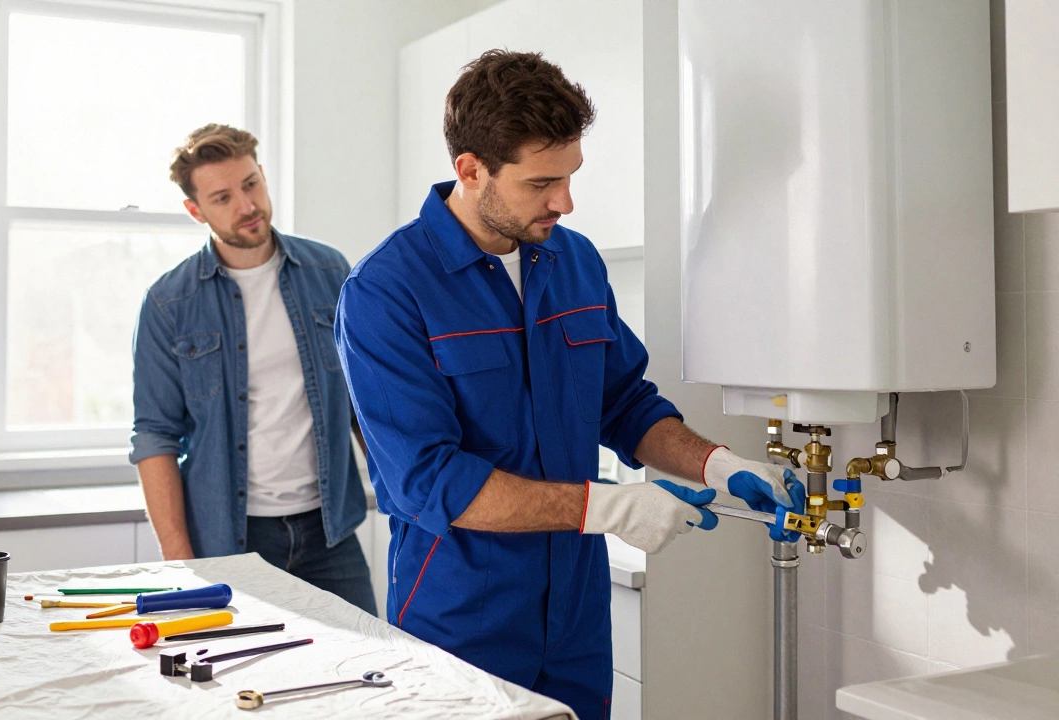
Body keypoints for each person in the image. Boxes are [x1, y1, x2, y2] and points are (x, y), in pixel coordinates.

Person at [334, 50, 803, 718]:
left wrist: (717, 464)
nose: (565, 201)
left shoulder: (572, 259)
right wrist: (608, 508)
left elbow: (623, 403)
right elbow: (427, 481)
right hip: (462, 622)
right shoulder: (386, 291)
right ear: (470, 170)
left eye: (571, 175)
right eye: (540, 183)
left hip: (575, 621)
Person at [130, 124, 375, 614]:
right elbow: (155, 435)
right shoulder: (169, 302)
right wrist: (180, 564)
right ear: (195, 211)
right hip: (231, 538)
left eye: (250, 184)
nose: (246, 206)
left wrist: (404, 497)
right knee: (242, 680)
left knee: (368, 664)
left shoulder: (330, 272)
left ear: (262, 175)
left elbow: (363, 402)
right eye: (222, 197)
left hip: (330, 531)